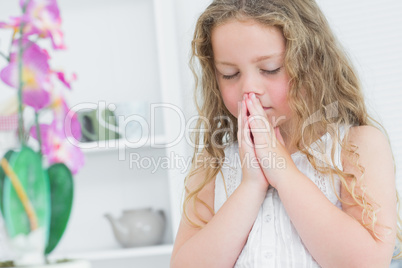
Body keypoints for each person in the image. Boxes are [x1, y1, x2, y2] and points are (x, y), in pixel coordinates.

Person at [170, 0, 401, 267]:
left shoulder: (357, 146)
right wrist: (251, 185)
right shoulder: (212, 165)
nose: (250, 88)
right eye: (230, 74)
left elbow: (365, 262)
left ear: (311, 64)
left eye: (270, 69)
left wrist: (283, 172)